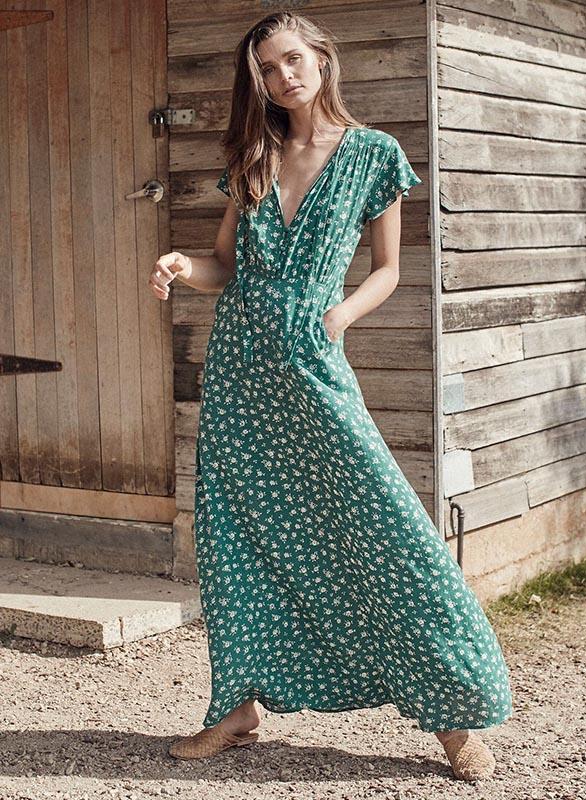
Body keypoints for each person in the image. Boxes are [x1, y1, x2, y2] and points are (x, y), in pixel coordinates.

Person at [149, 10, 513, 783]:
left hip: (314, 364)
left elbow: (389, 269)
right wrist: (181, 264)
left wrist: (339, 316)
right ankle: (237, 709)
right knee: (236, 540)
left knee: (381, 527)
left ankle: (453, 717)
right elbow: (224, 267)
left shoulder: (374, 154)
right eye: (267, 70)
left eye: (291, 59)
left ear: (321, 56)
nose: (283, 77)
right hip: (240, 374)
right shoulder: (254, 156)